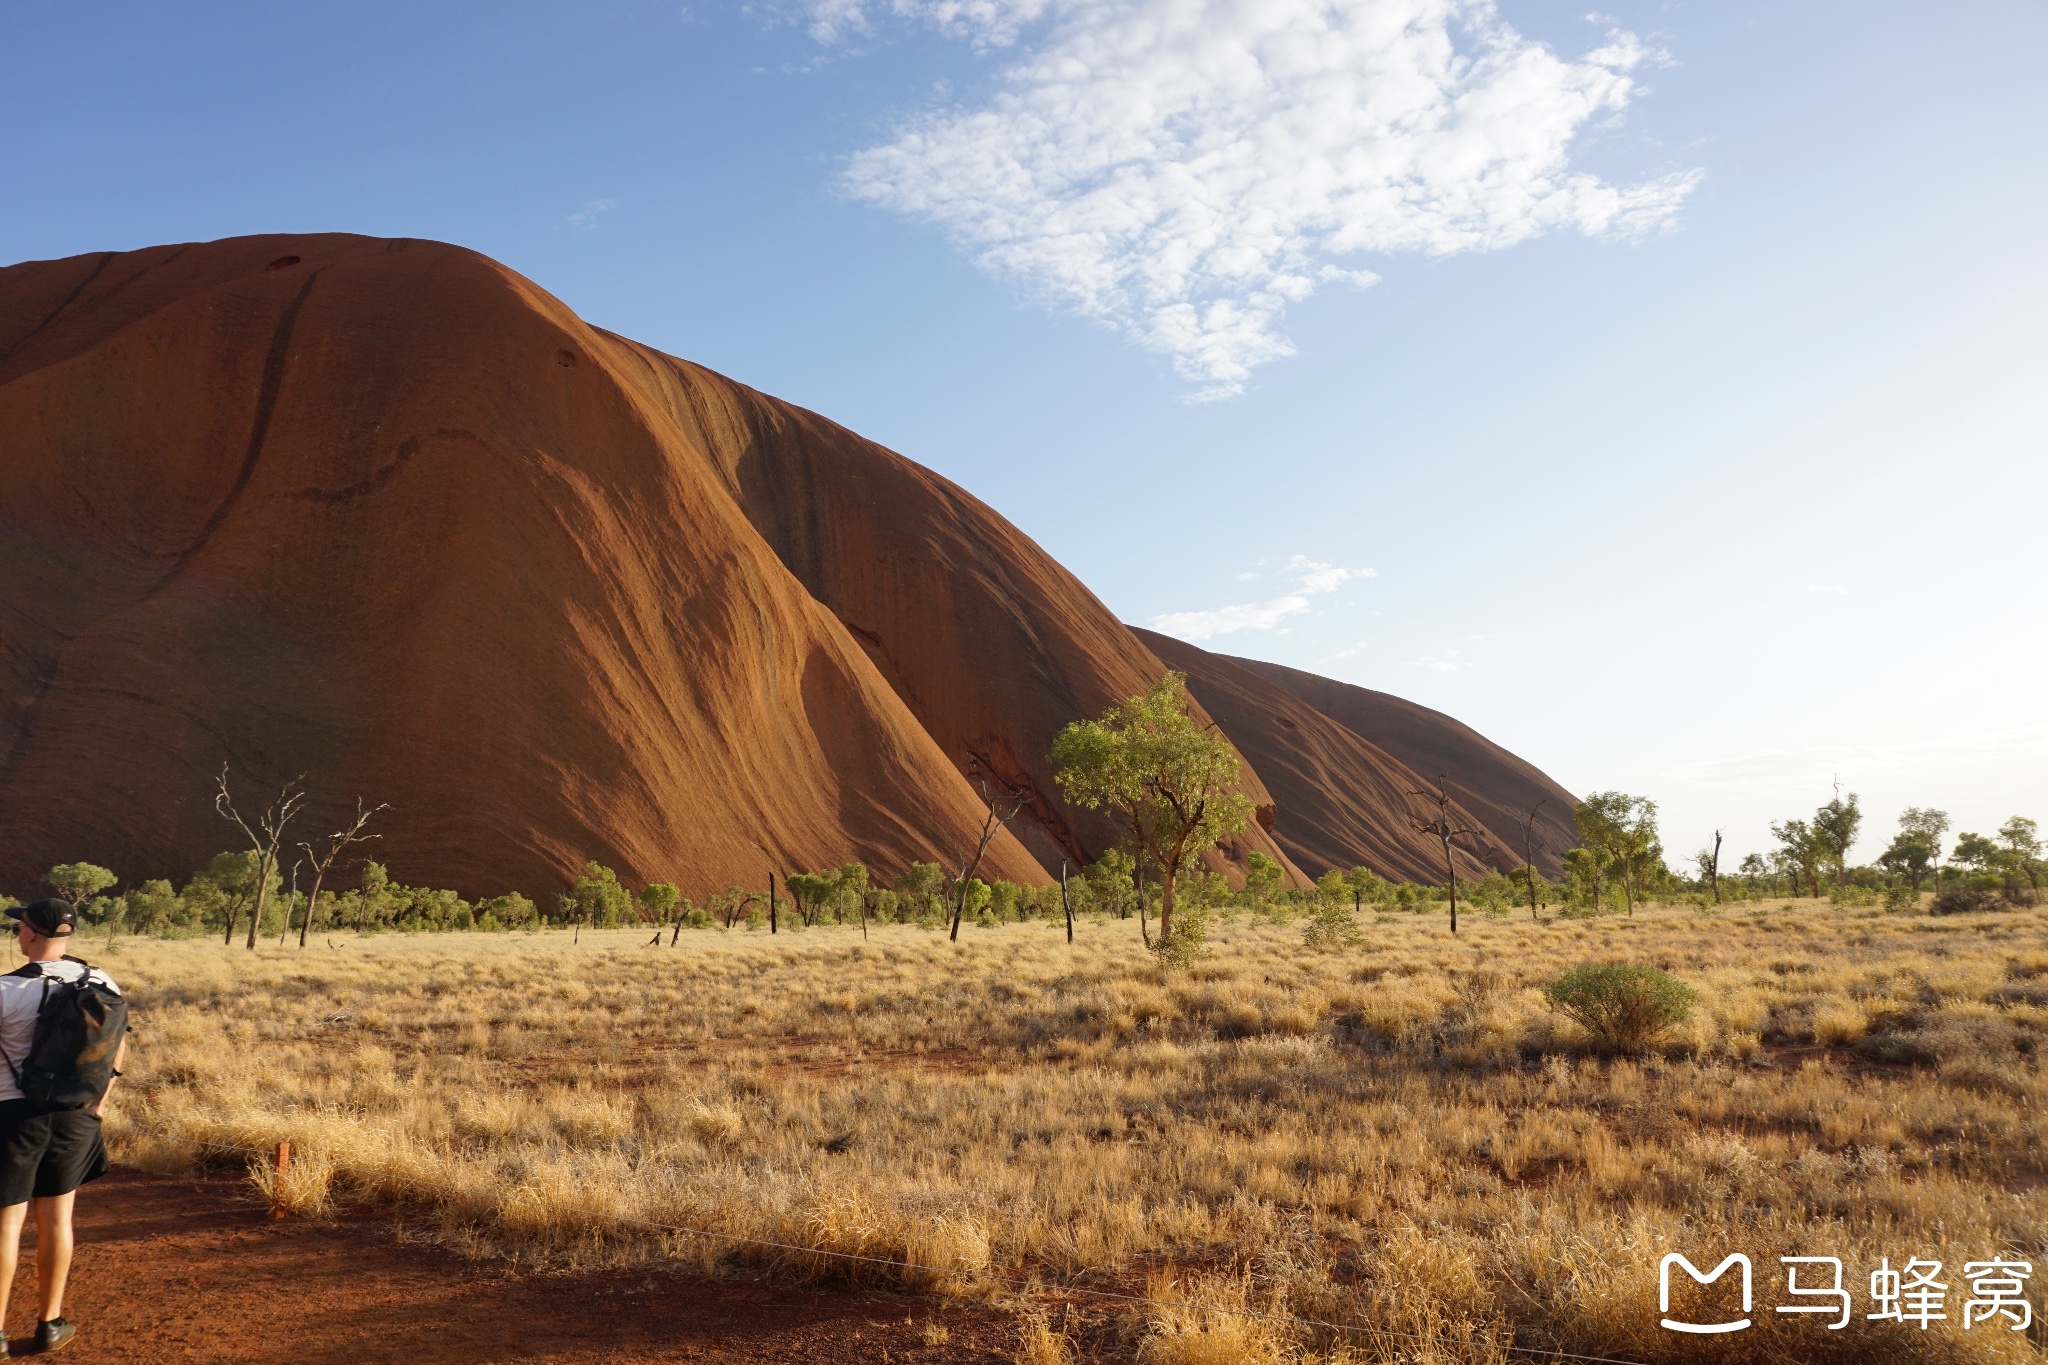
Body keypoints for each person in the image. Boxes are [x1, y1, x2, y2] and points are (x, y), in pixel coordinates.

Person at [0, 899, 123, 1355]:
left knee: (6, 1225)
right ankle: (50, 1324)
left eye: (20, 926)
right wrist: (95, 1108)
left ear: (29, 934)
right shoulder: (102, 982)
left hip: (13, 1117)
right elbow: (115, 1052)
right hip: (76, 1116)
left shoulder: (5, 990)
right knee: (57, 1219)